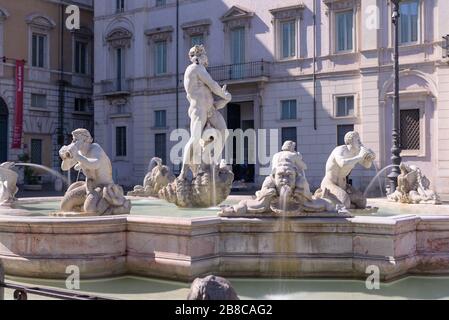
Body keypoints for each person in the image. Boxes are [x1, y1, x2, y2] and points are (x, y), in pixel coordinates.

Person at [179, 45, 232, 180]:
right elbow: (213, 84)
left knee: (223, 132)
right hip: (199, 109)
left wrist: (225, 101)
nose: (205, 57)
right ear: (198, 56)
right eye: (203, 54)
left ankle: (213, 163)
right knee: (194, 139)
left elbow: (214, 103)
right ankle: (183, 173)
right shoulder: (195, 68)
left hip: (210, 109)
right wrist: (224, 94)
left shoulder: (200, 70)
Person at [317, 131, 375, 209]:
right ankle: (323, 196)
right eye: (357, 140)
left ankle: (346, 201)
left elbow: (367, 166)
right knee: (345, 202)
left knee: (362, 202)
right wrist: (360, 157)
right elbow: (342, 163)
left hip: (343, 185)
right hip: (330, 184)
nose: (360, 142)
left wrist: (369, 159)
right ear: (349, 141)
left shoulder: (356, 153)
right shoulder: (340, 149)